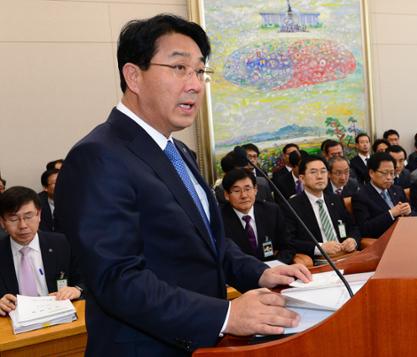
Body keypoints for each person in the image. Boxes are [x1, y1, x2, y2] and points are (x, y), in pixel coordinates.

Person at [54, 15, 311, 356]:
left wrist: (262, 274)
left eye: (200, 71)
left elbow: (209, 244)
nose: (195, 84)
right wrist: (226, 314)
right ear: (134, 76)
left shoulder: (177, 151)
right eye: (179, 69)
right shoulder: (98, 156)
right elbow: (117, 280)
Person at [0, 186, 84, 316]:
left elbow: (86, 278)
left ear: (39, 215)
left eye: (28, 216)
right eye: (14, 219)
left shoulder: (61, 243)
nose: (23, 225)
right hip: (13, 326)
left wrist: (76, 289)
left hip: (59, 319)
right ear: (2, 222)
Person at [286, 156, 360, 259]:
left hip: (345, 255)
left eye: (323, 171)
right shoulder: (291, 206)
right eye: (313, 172)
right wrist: (320, 247)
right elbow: (289, 241)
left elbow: (353, 227)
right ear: (302, 178)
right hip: (319, 260)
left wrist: (353, 240)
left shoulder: (335, 200)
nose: (320, 176)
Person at [220, 169, 295, 264]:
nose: (244, 195)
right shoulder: (219, 219)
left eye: (248, 189)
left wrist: (276, 266)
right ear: (226, 195)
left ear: (255, 190)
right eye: (237, 190)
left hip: (274, 271)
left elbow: (288, 246)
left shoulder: (272, 211)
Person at [352, 152, 412, 238]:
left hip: (404, 234)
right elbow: (364, 229)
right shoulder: (361, 196)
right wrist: (391, 213)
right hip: (383, 240)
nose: (389, 177)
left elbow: (414, 213)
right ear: (371, 173)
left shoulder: (397, 190)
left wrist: (409, 211)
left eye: (392, 173)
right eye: (384, 173)